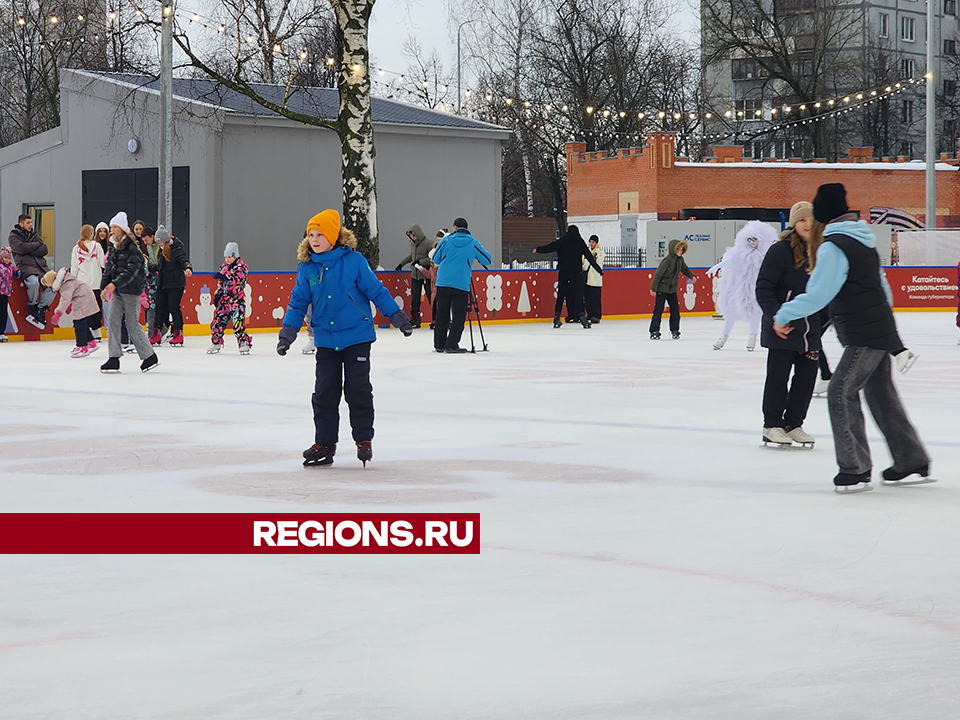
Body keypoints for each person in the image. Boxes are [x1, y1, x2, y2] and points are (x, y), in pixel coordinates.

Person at [773, 183, 929, 493]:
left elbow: (818, 294)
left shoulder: (833, 246)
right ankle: (910, 459)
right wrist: (885, 327)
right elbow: (884, 291)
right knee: (881, 395)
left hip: (864, 333)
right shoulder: (863, 242)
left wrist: (783, 314)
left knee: (840, 392)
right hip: (877, 329)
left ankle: (855, 468)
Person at [276, 209, 412, 467]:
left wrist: (396, 315)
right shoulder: (307, 267)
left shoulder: (354, 261)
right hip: (326, 339)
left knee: (357, 389)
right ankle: (324, 443)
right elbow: (298, 302)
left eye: (320, 234)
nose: (314, 240)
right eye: (311, 235)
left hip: (356, 335)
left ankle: (363, 439)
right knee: (324, 392)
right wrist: (289, 332)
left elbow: (376, 290)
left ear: (333, 236)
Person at [755, 202, 821, 448]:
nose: (807, 225)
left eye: (811, 220)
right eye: (803, 220)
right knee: (778, 377)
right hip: (783, 328)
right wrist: (776, 319)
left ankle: (793, 424)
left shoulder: (819, 251)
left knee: (806, 379)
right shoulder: (780, 251)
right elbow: (763, 288)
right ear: (794, 224)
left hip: (809, 330)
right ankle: (772, 425)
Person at [99, 212, 159, 373]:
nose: (112, 231)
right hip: (118, 289)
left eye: (115, 227)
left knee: (131, 322)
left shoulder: (132, 248)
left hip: (131, 289)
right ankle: (113, 358)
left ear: (123, 229)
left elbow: (131, 271)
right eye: (111, 227)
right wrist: (104, 286)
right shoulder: (113, 245)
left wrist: (114, 284)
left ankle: (149, 356)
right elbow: (110, 267)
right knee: (112, 320)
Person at [708, 220, 777, 351]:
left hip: (755, 286)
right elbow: (730, 260)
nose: (752, 242)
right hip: (739, 285)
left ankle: (752, 337)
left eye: (754, 239)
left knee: (754, 312)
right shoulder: (740, 252)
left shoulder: (765, 254)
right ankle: (723, 337)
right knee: (731, 311)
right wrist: (716, 267)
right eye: (749, 239)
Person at [432, 217, 493, 352]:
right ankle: (452, 344)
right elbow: (487, 259)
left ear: (455, 227)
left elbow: (435, 258)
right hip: (461, 283)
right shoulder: (473, 243)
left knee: (442, 313)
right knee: (459, 314)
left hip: (443, 281)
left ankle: (439, 344)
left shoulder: (445, 241)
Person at [533, 225, 602, 329]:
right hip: (575, 273)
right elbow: (589, 257)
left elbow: (551, 247)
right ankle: (582, 318)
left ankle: (557, 317)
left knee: (561, 294)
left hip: (563, 272)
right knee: (578, 295)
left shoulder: (563, 241)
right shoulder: (580, 242)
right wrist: (599, 270)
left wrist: (538, 249)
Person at [8, 213, 54, 330]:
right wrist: (35, 246)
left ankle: (40, 308)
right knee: (33, 283)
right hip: (26, 267)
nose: (30, 225)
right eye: (28, 223)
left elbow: (44, 249)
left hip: (41, 267)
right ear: (21, 223)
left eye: (31, 222)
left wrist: (29, 248)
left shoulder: (34, 235)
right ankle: (33, 305)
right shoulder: (14, 236)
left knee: (53, 286)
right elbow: (21, 248)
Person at [42, 268, 101, 358]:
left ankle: (82, 347)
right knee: (82, 322)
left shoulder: (66, 284)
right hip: (85, 297)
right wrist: (69, 306)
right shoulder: (67, 280)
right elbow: (72, 294)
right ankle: (91, 343)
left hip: (82, 299)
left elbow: (65, 299)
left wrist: (58, 314)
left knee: (78, 323)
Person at [151, 224, 192, 347]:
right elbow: (161, 267)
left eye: (160, 242)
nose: (158, 244)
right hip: (163, 283)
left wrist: (188, 268)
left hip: (175, 284)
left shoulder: (176, 249)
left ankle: (178, 332)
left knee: (173, 307)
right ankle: (156, 332)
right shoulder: (163, 251)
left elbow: (183, 260)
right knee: (159, 307)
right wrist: (150, 268)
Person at [208, 242, 252, 354]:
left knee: (238, 324)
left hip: (237, 301)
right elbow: (221, 284)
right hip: (225, 301)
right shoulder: (224, 267)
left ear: (235, 256)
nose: (227, 259)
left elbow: (238, 280)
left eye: (230, 257)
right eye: (226, 257)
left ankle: (244, 343)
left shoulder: (241, 267)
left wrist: (226, 277)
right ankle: (216, 342)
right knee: (217, 322)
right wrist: (218, 294)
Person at [649, 239, 695, 339]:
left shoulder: (680, 260)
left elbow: (685, 269)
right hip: (662, 288)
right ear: (674, 249)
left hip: (672, 289)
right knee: (658, 310)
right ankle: (654, 330)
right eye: (679, 250)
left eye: (682, 250)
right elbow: (658, 275)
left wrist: (691, 276)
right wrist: (653, 288)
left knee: (675, 310)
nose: (680, 252)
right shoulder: (667, 260)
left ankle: (675, 330)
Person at [71, 224, 106, 339]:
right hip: (96, 283)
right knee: (96, 308)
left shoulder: (76, 249)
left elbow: (74, 268)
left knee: (84, 309)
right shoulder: (97, 246)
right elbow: (103, 263)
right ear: (91, 234)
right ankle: (97, 332)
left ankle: (87, 332)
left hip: (82, 284)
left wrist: (72, 284)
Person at [395, 224, 433, 328]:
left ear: (418, 234)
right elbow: (411, 256)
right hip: (415, 275)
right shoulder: (413, 244)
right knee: (415, 298)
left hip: (426, 275)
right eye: (411, 236)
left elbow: (433, 259)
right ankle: (415, 319)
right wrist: (401, 264)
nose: (412, 238)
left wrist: (420, 261)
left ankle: (437, 319)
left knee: (431, 297)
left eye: (414, 236)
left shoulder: (429, 243)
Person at [140, 226, 161, 334]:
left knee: (156, 304)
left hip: (159, 276)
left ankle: (159, 329)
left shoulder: (159, 246)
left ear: (153, 237)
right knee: (151, 303)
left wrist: (155, 266)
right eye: (143, 241)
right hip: (152, 276)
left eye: (146, 240)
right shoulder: (148, 247)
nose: (145, 243)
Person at [0, 246, 21, 341]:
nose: (7, 260)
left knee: (3, 313)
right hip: (0, 291)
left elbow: (14, 269)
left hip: (5, 293)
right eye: (5, 258)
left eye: (9, 258)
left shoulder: (9, 268)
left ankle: (1, 332)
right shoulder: (1, 267)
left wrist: (18, 272)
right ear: (1, 258)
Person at [584, 234, 604, 323]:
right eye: (590, 242)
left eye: (593, 242)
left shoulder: (600, 253)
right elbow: (584, 264)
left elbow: (599, 263)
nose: (591, 244)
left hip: (595, 279)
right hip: (587, 278)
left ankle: (596, 315)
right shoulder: (586, 252)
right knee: (588, 298)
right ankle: (590, 314)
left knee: (595, 298)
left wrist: (596, 251)